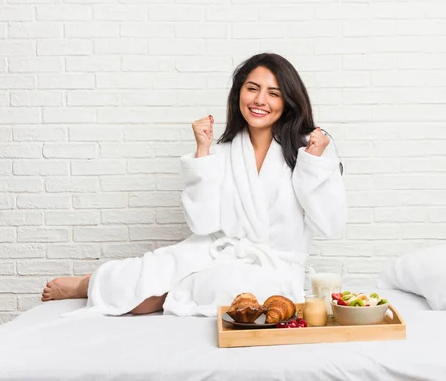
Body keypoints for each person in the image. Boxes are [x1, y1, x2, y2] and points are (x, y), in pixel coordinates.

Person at [41, 53, 347, 317]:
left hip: (273, 272)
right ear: (238, 93)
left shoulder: (311, 149)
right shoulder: (224, 152)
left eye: (273, 93)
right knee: (141, 289)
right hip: (212, 250)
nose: (260, 100)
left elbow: (329, 225)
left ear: (289, 101)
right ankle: (88, 283)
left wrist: (314, 164)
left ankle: (168, 291)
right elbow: (202, 224)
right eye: (252, 89)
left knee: (225, 285)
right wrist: (203, 153)